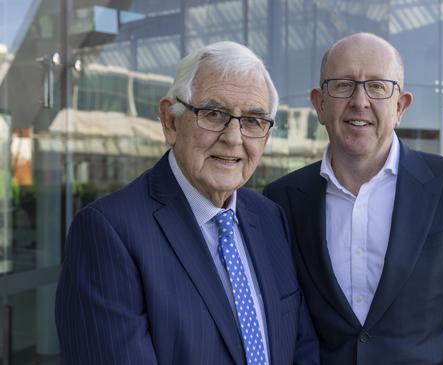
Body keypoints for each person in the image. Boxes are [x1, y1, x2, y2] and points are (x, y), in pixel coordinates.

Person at [55, 41, 319, 364]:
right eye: (214, 113)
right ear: (170, 121)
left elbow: (301, 348)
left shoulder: (269, 217)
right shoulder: (108, 233)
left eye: (253, 120)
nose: (234, 138)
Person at [263, 33, 443, 364]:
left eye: (378, 87)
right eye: (342, 85)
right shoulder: (281, 200)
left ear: (400, 106)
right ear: (319, 104)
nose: (359, 101)